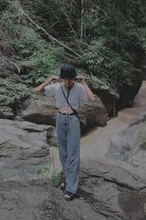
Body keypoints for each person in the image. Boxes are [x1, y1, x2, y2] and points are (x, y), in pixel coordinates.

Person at [34, 64, 95, 200]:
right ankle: (67, 179)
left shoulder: (79, 88)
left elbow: (92, 99)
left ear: (74, 78)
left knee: (73, 154)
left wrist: (84, 83)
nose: (68, 81)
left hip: (73, 120)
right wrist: (49, 80)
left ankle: (71, 189)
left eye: (70, 78)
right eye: (65, 78)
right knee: (63, 153)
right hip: (60, 118)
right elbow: (36, 91)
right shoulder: (56, 87)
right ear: (62, 78)